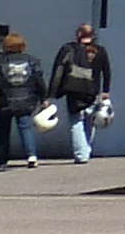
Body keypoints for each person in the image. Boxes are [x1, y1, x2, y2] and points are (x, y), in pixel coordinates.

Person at [46, 25, 112, 164]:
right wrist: (105, 90)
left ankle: (81, 154)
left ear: (78, 34)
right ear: (92, 35)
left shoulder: (70, 49)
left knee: (76, 122)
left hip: (74, 90)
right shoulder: (100, 51)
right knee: (90, 121)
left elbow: (59, 69)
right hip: (93, 91)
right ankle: (86, 151)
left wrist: (53, 91)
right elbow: (106, 71)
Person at [0, 33, 45, 167]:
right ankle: (31, 156)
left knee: (4, 130)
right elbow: (39, 81)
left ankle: (2, 160)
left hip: (5, 100)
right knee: (26, 128)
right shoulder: (32, 61)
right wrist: (43, 98)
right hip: (26, 99)